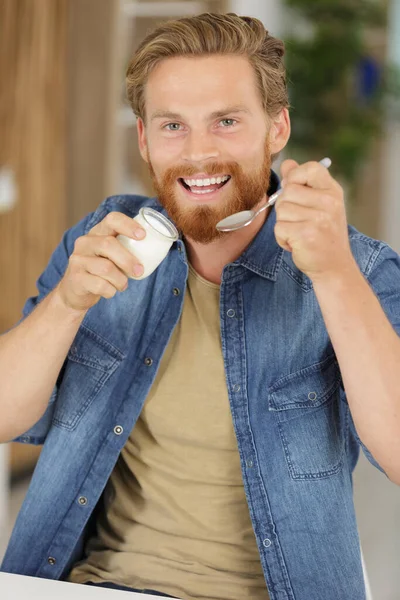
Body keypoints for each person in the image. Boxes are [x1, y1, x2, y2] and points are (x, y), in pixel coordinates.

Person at [1, 12, 399, 600]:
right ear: (144, 139)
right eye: (172, 126)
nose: (198, 153)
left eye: (227, 121)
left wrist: (334, 273)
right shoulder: (103, 241)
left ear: (277, 129)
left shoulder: (357, 269)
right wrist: (65, 303)